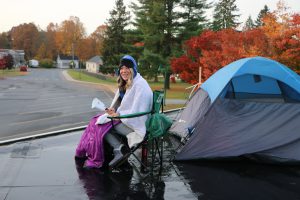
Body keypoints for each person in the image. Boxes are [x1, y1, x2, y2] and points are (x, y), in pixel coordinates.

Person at [75, 55, 153, 169]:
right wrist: (115, 111)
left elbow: (138, 113)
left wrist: (119, 115)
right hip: (129, 120)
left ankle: (118, 149)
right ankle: (116, 148)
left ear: (133, 69)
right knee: (95, 121)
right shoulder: (130, 83)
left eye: (127, 68)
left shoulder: (140, 85)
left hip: (136, 126)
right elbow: (127, 106)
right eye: (122, 68)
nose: (124, 71)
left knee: (99, 125)